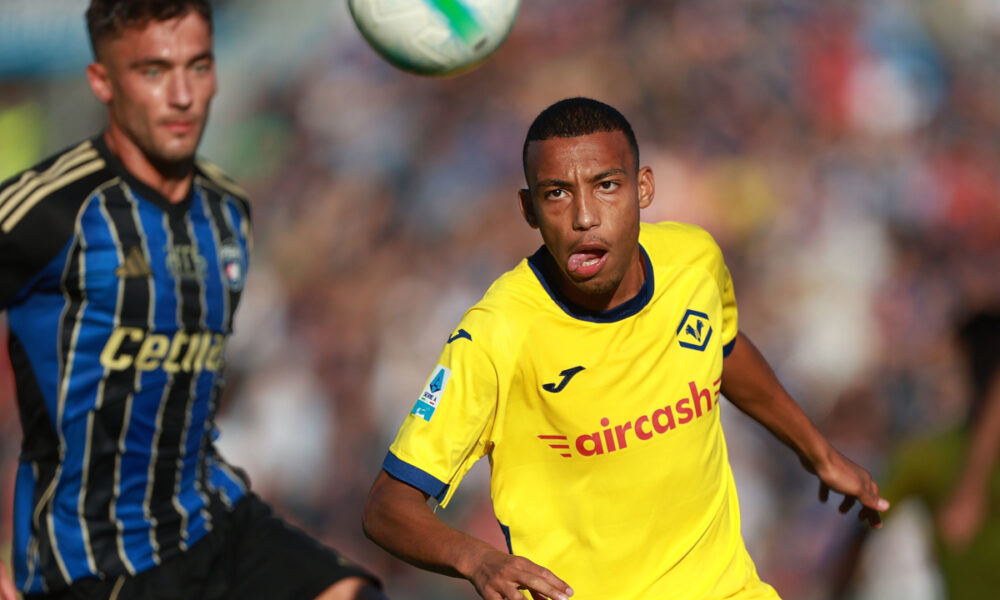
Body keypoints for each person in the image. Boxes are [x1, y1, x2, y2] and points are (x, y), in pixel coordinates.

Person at [362, 97, 889, 600]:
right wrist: (477, 560)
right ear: (528, 209)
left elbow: (723, 351)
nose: (584, 216)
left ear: (644, 188)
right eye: (556, 193)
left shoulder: (693, 261)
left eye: (606, 185)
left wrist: (816, 452)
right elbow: (388, 506)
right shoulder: (497, 334)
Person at [0, 2, 384, 599]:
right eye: (153, 71)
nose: (182, 95)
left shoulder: (227, 209)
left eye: (198, 67)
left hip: (213, 519)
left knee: (352, 591)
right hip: (93, 558)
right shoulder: (43, 210)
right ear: (102, 81)